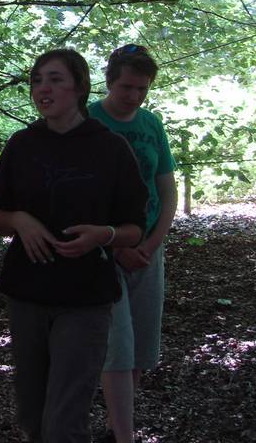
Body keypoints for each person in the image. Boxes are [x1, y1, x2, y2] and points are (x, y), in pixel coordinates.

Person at [0, 49, 147, 443]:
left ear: (79, 87)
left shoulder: (109, 148)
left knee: (65, 422)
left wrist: (103, 235)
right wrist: (19, 221)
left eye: (55, 79)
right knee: (34, 418)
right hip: (27, 293)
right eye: (37, 80)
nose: (43, 88)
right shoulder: (21, 144)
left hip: (85, 298)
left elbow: (134, 228)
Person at [89, 45, 178, 443]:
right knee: (117, 341)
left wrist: (151, 242)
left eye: (142, 89)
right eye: (127, 87)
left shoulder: (151, 124)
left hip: (147, 247)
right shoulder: (88, 120)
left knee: (141, 342)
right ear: (110, 81)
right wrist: (116, 244)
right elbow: (78, 193)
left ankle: (114, 428)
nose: (134, 96)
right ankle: (125, 436)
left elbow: (167, 189)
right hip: (101, 248)